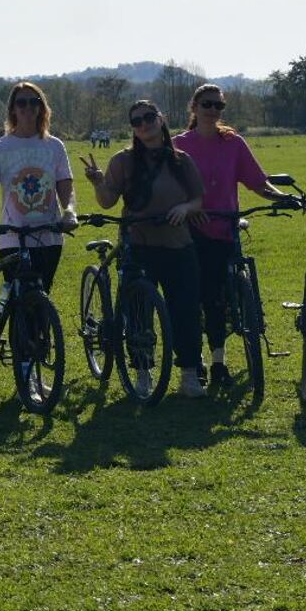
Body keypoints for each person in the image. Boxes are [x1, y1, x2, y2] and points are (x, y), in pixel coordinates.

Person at [81, 100, 208, 398]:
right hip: (139, 245)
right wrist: (99, 183)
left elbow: (198, 200)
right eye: (136, 122)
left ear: (160, 119)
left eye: (149, 117)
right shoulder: (122, 161)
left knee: (186, 311)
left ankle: (189, 375)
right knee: (138, 313)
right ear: (133, 129)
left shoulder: (181, 160)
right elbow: (108, 202)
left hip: (178, 245)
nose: (144, 125)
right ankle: (142, 373)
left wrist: (184, 208)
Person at [172, 83, 289, 387]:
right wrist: (186, 208)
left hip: (224, 229)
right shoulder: (177, 145)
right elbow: (168, 188)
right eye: (207, 104)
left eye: (218, 106)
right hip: (189, 233)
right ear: (194, 108)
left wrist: (284, 198)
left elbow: (257, 181)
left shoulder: (233, 143)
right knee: (192, 298)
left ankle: (218, 362)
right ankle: (193, 361)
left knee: (217, 300)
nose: (213, 110)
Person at [0, 81, 77, 290]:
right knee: (17, 299)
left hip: (49, 236)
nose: (28, 108)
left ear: (42, 108)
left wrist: (70, 211)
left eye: (34, 102)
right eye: (22, 103)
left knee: (43, 297)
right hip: (13, 237)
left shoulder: (54, 145)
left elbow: (64, 184)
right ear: (13, 109)